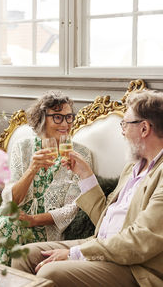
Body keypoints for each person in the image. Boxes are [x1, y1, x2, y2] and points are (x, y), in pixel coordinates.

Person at [12, 89, 163, 287]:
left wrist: (75, 253)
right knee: (23, 256)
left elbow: (140, 240)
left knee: (50, 271)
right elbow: (104, 219)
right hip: (102, 243)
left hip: (135, 266)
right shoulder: (133, 167)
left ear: (144, 129)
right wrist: (86, 175)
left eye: (125, 123)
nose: (122, 130)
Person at [0, 91, 92, 266]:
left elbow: (73, 208)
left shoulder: (81, 154)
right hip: (15, 215)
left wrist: (33, 220)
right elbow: (12, 199)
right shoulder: (23, 147)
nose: (66, 124)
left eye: (69, 117)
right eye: (58, 118)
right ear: (43, 119)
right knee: (3, 216)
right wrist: (32, 169)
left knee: (8, 224)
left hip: (47, 226)